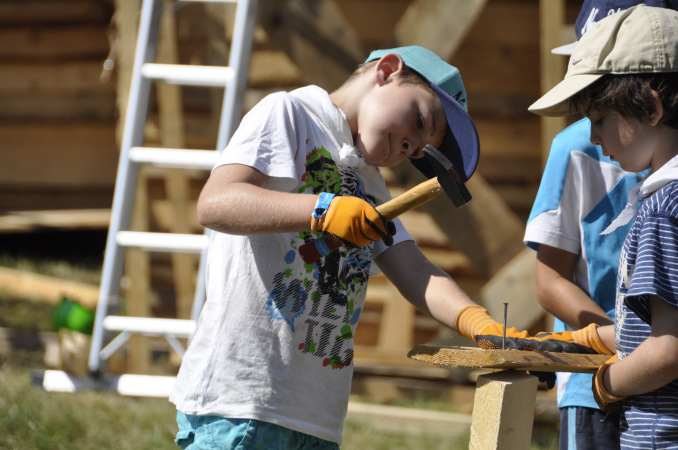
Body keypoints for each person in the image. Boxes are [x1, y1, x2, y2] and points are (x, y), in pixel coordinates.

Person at [168, 45, 540, 449]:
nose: (410, 146)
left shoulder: (370, 186)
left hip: (317, 418)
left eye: (417, 149)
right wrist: (322, 210)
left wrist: (479, 325)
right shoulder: (289, 115)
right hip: (241, 400)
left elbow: (416, 271)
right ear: (388, 70)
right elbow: (216, 203)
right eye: (419, 120)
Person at [525, 1, 676, 448]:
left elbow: (667, 349)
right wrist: (587, 337)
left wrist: (603, 384)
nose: (592, 137)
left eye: (599, 119)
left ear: (650, 108)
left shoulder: (664, 209)